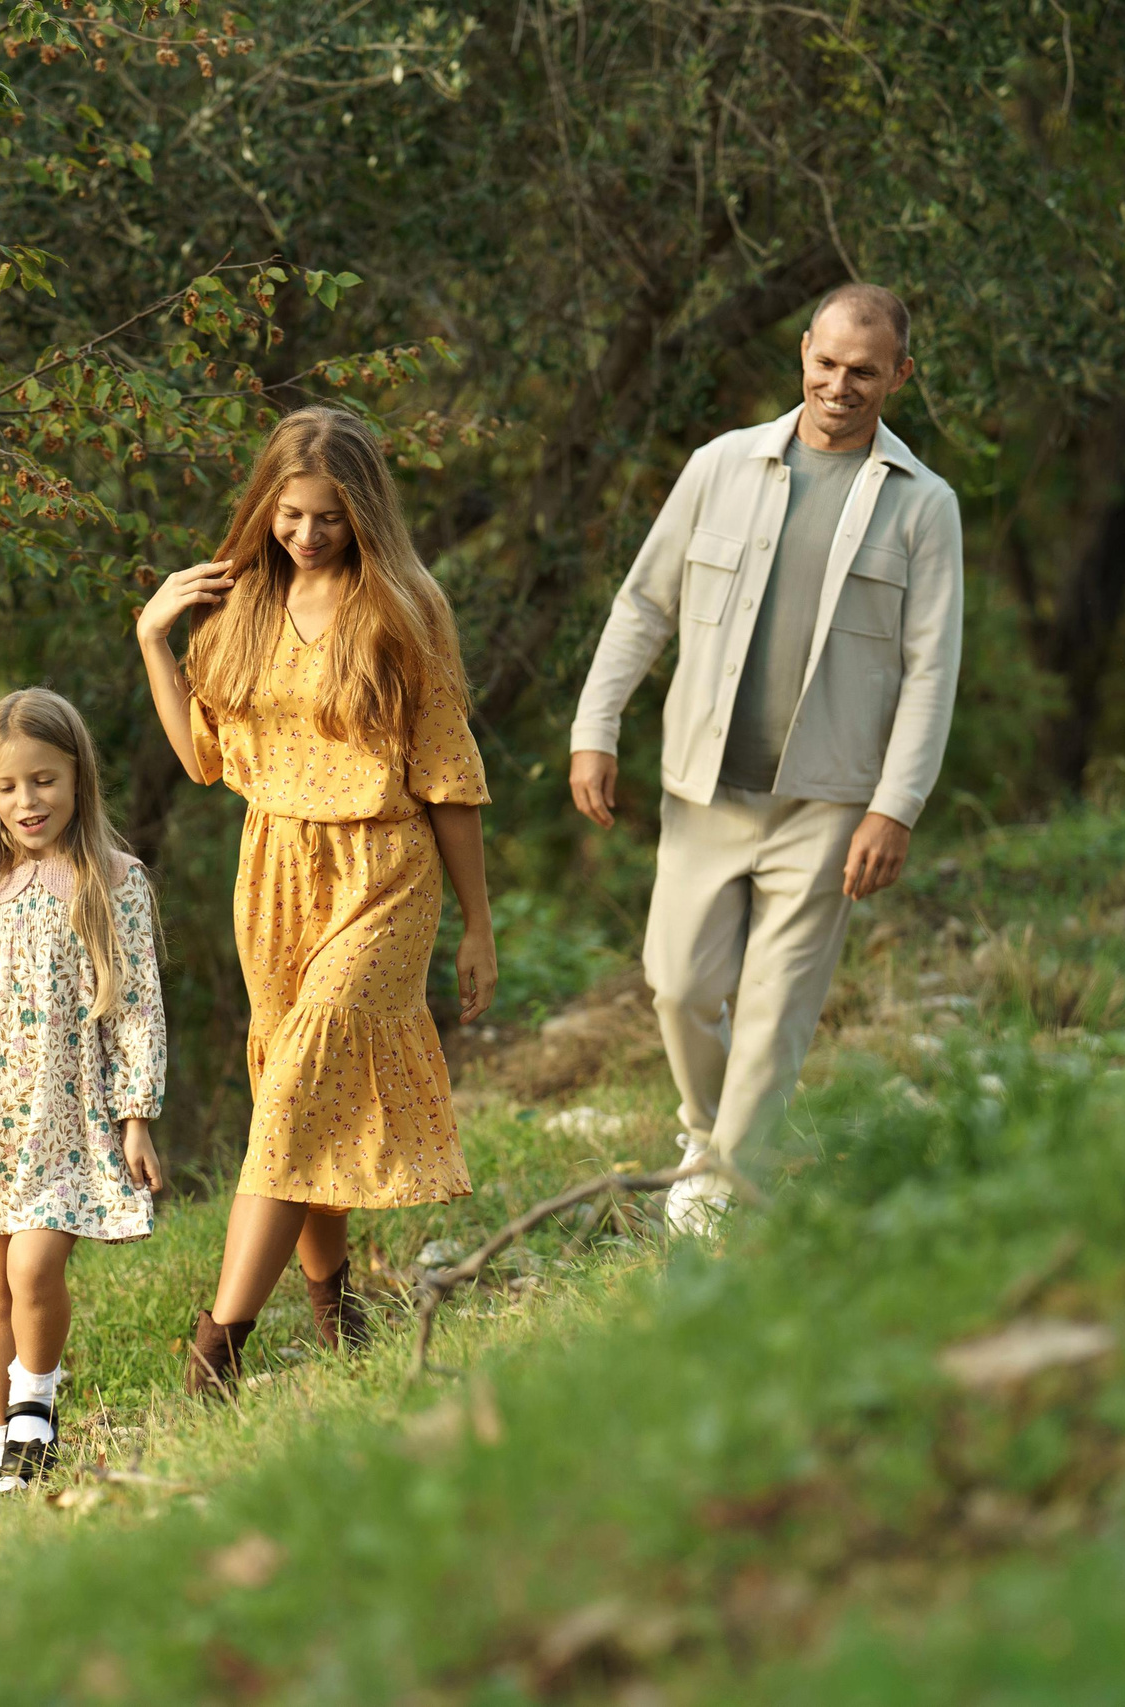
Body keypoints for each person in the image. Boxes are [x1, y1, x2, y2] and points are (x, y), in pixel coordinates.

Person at [567, 282, 963, 1232]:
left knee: (778, 1008)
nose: (839, 385)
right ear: (803, 353)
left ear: (899, 376)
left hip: (829, 803)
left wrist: (895, 807)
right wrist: (596, 725)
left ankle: (726, 1196)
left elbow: (932, 668)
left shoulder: (924, 505)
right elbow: (644, 604)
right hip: (706, 789)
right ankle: (707, 1137)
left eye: (864, 371)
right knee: (679, 985)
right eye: (826, 363)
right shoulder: (721, 466)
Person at [137, 405, 495, 1393]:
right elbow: (202, 760)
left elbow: (448, 776)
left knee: (301, 1085)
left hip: (384, 871)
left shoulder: (405, 609)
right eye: (289, 514)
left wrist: (478, 926)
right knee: (297, 1087)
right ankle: (334, 1302)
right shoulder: (240, 609)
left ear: (363, 512)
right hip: (275, 872)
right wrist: (153, 638)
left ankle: (218, 1348)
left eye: (328, 518)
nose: (305, 534)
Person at [0, 688, 166, 1494]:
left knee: (34, 1268)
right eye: (8, 786)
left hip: (72, 1122)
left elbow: (137, 1005)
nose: (27, 801)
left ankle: (35, 1417)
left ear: (78, 776)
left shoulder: (113, 880)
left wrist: (136, 1116)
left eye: (44, 780)